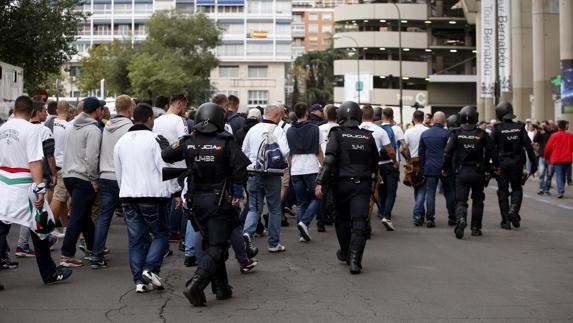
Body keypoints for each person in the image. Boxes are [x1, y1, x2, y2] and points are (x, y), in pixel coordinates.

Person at [161, 102, 251, 306]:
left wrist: (184, 141)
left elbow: (166, 154)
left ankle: (221, 288)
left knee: (212, 243)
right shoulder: (226, 141)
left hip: (195, 202)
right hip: (218, 202)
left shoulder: (189, 140)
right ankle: (196, 284)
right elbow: (240, 172)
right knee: (218, 247)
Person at [0, 95, 72, 285]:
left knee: (6, 227)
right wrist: (40, 189)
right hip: (23, 185)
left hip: (4, 183)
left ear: (14, 109)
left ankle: (49, 272)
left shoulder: (3, 128)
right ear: (32, 111)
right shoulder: (31, 130)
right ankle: (49, 273)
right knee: (39, 227)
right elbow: (34, 161)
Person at [315, 101, 379, 274]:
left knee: (342, 220)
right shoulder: (368, 136)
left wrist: (320, 182)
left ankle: (345, 251)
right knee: (359, 222)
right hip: (362, 186)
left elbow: (329, 161)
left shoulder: (337, 134)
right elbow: (375, 163)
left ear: (340, 116)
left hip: (341, 185)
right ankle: (355, 261)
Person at [114, 103, 170, 293]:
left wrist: (124, 192)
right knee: (161, 234)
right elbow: (165, 168)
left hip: (129, 195)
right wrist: (175, 191)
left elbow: (119, 171)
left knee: (136, 239)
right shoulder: (156, 139)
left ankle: (139, 280)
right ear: (148, 119)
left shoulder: (121, 141)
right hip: (153, 195)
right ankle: (150, 268)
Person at [90, 95, 134, 269]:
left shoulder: (107, 126)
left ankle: (96, 255)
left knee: (104, 217)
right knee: (132, 217)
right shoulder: (130, 128)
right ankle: (137, 252)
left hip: (105, 176)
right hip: (123, 178)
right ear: (130, 108)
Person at [60, 97, 103, 267]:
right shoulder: (93, 130)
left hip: (69, 174)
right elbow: (92, 157)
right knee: (77, 217)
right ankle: (66, 254)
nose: (102, 112)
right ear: (97, 110)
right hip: (83, 177)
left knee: (83, 215)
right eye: (100, 109)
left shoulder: (71, 127)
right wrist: (94, 179)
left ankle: (94, 247)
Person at [443, 106, 498, 239]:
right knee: (478, 200)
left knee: (461, 201)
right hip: (478, 171)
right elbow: (492, 152)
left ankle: (461, 218)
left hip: (461, 171)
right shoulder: (482, 134)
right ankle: (476, 228)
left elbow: (447, 153)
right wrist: (494, 167)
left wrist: (444, 168)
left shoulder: (456, 134)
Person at [241, 105, 290, 253]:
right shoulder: (278, 130)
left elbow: (244, 150)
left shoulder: (253, 129)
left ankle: (247, 234)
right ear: (277, 116)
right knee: (274, 208)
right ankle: (273, 244)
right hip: (272, 174)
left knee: (254, 208)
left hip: (253, 173)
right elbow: (285, 151)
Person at [15, 100, 58, 257]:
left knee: (32, 210)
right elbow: (49, 155)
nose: (46, 113)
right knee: (35, 211)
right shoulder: (44, 130)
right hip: (39, 175)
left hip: (21, 175)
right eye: (44, 111)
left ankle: (30, 242)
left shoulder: (20, 129)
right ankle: (24, 244)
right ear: (36, 112)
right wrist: (54, 174)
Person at [153, 94, 191, 255]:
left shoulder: (157, 121)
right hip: (179, 167)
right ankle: (177, 234)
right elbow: (184, 141)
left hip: (161, 167)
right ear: (179, 104)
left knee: (165, 202)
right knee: (180, 202)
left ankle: (165, 234)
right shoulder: (179, 121)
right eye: (185, 106)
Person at [492, 102, 537, 230]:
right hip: (517, 164)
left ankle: (505, 220)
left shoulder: (496, 128)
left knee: (503, 192)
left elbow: (490, 149)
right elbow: (529, 148)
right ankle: (514, 209)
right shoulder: (520, 127)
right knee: (517, 189)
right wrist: (534, 165)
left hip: (502, 164)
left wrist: (491, 166)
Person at [286, 103, 323, 242]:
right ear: (307, 112)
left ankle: (302, 233)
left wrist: (291, 168)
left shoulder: (289, 130)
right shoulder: (315, 128)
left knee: (300, 202)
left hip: (296, 168)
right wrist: (324, 167)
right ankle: (305, 223)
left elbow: (289, 153)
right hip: (311, 167)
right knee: (317, 197)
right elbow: (318, 151)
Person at [359, 105, 397, 233]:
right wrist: (395, 161)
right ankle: (367, 223)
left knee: (359, 196)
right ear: (374, 116)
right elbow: (391, 150)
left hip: (356, 167)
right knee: (372, 196)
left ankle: (359, 222)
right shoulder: (380, 131)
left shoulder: (356, 128)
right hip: (373, 169)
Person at [419, 111, 454, 228]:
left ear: (433, 120)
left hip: (430, 167)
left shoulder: (425, 134)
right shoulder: (448, 134)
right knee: (449, 192)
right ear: (444, 121)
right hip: (445, 168)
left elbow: (421, 154)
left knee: (430, 193)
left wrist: (423, 169)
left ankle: (430, 218)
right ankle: (452, 217)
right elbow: (451, 153)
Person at [378, 108, 408, 230]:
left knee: (381, 190)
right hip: (391, 164)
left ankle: (381, 211)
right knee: (391, 191)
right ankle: (386, 215)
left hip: (378, 164)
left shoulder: (377, 129)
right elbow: (404, 146)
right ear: (392, 116)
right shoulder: (396, 129)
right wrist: (402, 157)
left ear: (382, 115)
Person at [49, 101, 71, 238]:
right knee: (59, 198)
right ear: (68, 111)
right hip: (63, 164)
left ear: (57, 110)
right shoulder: (68, 127)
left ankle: (66, 226)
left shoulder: (50, 124)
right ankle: (48, 228)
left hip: (51, 164)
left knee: (60, 197)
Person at [404, 110, 428, 226]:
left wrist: (408, 160)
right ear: (423, 119)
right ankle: (418, 213)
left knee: (416, 187)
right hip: (424, 162)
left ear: (413, 118)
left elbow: (403, 149)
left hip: (412, 163)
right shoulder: (427, 131)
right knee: (422, 189)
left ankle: (419, 214)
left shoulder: (408, 132)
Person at [316, 105, 338, 231]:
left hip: (321, 164)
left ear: (326, 115)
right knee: (335, 193)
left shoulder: (319, 128)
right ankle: (333, 216)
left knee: (321, 194)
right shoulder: (340, 129)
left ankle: (320, 221)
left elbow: (317, 148)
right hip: (335, 165)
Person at [544, 120, 573, 199]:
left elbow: (548, 148)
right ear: (565, 126)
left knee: (559, 175)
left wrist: (546, 156)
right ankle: (561, 189)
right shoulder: (570, 136)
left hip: (557, 158)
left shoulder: (554, 135)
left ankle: (561, 190)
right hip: (567, 159)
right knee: (562, 175)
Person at [534, 121, 556, 195]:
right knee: (542, 173)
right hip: (542, 156)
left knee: (549, 174)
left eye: (544, 125)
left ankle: (547, 189)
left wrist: (545, 130)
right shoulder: (540, 132)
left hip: (550, 157)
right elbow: (535, 139)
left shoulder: (552, 132)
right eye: (542, 125)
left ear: (548, 126)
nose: (542, 127)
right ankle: (541, 189)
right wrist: (538, 132)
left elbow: (551, 133)